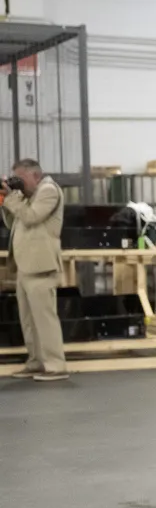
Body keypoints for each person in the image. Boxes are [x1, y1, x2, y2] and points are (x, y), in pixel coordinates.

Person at [2, 159, 67, 382]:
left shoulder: (48, 190)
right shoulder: (25, 197)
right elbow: (14, 224)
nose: (18, 182)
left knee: (45, 319)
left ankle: (56, 366)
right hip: (25, 266)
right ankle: (36, 361)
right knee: (29, 320)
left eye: (21, 178)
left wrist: (12, 198)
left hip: (41, 266)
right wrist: (6, 201)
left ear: (35, 176)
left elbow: (31, 218)